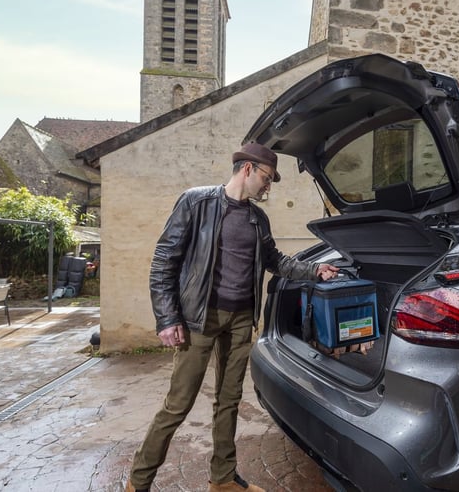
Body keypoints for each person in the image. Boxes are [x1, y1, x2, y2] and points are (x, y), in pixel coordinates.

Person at [125, 142, 340, 492]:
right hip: (199, 318)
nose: (268, 186)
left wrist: (315, 270)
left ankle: (223, 479)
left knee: (229, 402)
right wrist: (167, 318)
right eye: (267, 178)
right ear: (248, 169)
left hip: (240, 319)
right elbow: (164, 261)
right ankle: (139, 481)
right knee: (178, 404)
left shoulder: (258, 218)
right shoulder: (196, 202)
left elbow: (275, 261)